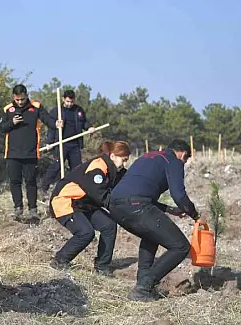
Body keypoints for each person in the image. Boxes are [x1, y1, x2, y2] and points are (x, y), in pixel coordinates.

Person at [108, 139, 205, 302]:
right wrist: (195, 215)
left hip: (116, 206)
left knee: (151, 235)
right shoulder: (174, 161)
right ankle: (144, 287)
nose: (185, 162)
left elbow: (139, 192)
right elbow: (179, 195)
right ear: (182, 153)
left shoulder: (147, 157)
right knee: (180, 247)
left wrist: (171, 210)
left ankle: (142, 283)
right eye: (186, 159)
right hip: (137, 204)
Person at [49, 141, 131, 276]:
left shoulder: (114, 169)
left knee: (109, 225)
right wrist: (121, 210)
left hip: (84, 204)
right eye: (123, 160)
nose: (124, 164)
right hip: (65, 201)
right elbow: (100, 195)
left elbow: (128, 182)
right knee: (86, 232)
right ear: (112, 156)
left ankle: (102, 266)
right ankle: (60, 260)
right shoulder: (98, 168)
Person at [0, 84, 61, 220]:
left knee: (31, 182)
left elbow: (47, 119)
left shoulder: (36, 107)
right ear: (13, 98)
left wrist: (56, 123)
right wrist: (12, 122)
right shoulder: (8, 109)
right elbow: (2, 127)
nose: (20, 102)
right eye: (17, 100)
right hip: (12, 153)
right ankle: (18, 209)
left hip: (31, 152)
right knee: (15, 182)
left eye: (22, 99)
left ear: (26, 95)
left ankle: (33, 210)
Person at [41, 90, 96, 193]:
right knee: (56, 166)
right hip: (61, 144)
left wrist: (89, 127)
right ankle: (44, 188)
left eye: (71, 102)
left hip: (75, 144)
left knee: (77, 169)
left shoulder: (78, 110)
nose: (69, 104)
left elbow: (84, 122)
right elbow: (51, 128)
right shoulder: (56, 111)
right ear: (63, 99)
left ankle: (75, 191)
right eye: (67, 101)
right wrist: (49, 142)